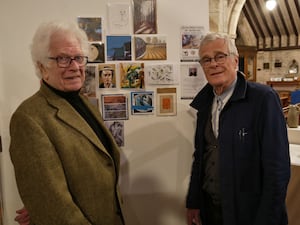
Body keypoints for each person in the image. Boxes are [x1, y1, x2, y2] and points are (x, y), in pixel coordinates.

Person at [9, 20, 125, 225]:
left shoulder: (82, 102)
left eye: (78, 58)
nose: (74, 67)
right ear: (41, 66)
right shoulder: (29, 118)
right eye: (62, 59)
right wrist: (41, 204)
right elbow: (54, 207)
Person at [186, 32, 290, 225]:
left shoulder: (263, 99)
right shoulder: (204, 103)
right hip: (212, 210)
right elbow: (200, 157)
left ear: (235, 61)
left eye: (220, 56)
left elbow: (277, 170)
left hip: (250, 213)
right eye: (206, 60)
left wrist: (267, 219)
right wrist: (194, 202)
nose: (213, 64)